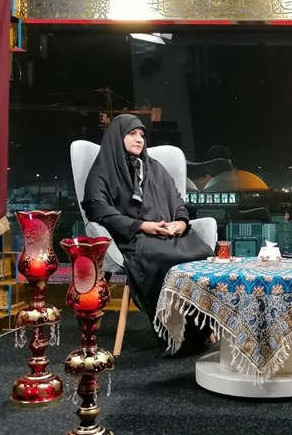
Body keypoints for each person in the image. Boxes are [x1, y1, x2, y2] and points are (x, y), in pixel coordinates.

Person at [81, 114, 213, 351]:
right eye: (132, 134)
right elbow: (96, 207)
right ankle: (173, 333)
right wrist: (141, 225)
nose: (139, 139)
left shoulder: (155, 168)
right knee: (163, 257)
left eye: (141, 134)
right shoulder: (103, 171)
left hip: (169, 232)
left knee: (202, 255)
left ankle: (199, 330)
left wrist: (181, 223)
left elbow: (178, 200)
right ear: (117, 137)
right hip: (136, 236)